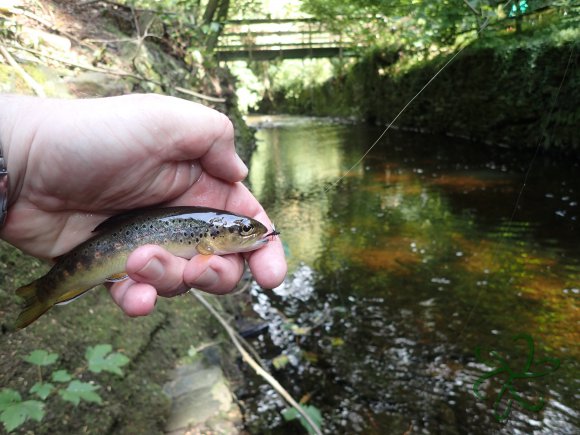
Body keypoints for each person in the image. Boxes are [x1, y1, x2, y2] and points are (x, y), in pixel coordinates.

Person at [0, 93, 287, 317]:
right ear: (213, 237)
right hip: (101, 243)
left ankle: (44, 292)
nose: (251, 232)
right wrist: (22, 149)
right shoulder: (207, 236)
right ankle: (44, 292)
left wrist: (19, 150)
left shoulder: (211, 232)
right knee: (61, 286)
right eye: (246, 229)